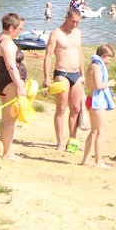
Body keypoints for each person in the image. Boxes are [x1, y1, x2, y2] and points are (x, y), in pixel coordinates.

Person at [43, 8, 85, 151]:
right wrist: (46, 77)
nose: (75, 25)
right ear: (67, 17)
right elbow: (48, 55)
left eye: (78, 22)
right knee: (61, 108)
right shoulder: (56, 33)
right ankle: (60, 141)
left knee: (76, 108)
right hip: (62, 73)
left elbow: (80, 53)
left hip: (76, 74)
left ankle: (72, 140)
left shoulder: (77, 33)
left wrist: (83, 74)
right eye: (73, 21)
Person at [0, 12, 27, 160]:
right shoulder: (7, 43)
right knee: (9, 119)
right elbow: (11, 67)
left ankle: (8, 150)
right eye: (19, 29)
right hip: (10, 84)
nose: (20, 32)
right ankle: (7, 153)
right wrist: (19, 86)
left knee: (6, 118)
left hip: (1, 82)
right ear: (11, 28)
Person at [81, 44, 116, 167]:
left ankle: (85, 160)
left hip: (91, 99)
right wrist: (110, 83)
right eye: (109, 58)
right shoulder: (97, 67)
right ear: (104, 56)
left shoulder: (93, 65)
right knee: (100, 131)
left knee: (94, 131)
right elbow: (98, 85)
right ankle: (98, 161)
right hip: (96, 101)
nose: (109, 61)